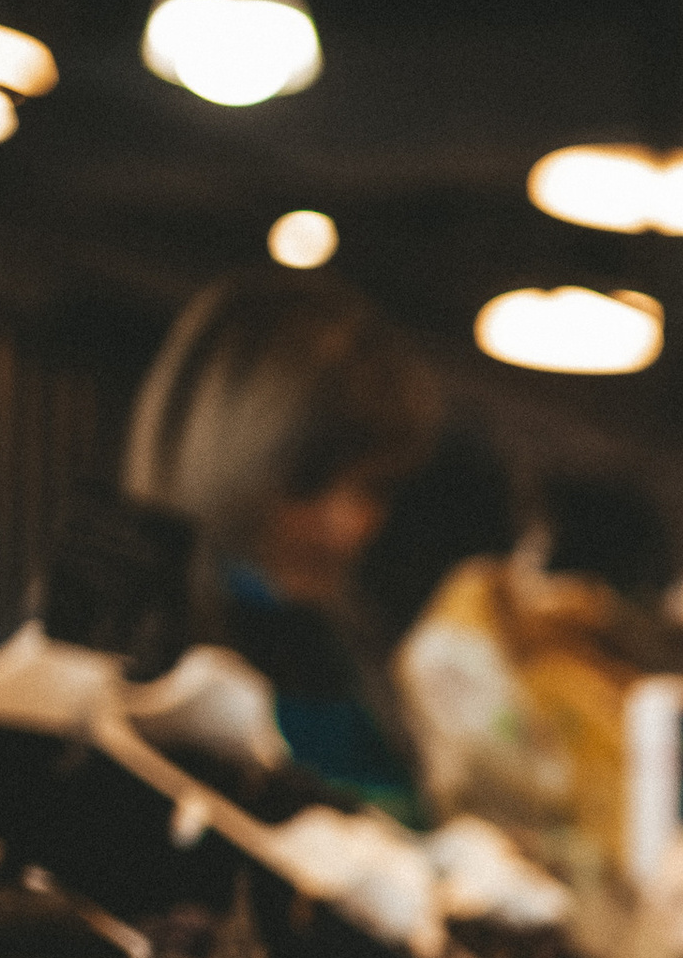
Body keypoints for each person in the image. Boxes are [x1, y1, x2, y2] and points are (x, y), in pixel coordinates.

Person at [122, 267, 443, 795]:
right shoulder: (132, 642)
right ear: (228, 455)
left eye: (375, 490)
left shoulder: (346, 644)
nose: (347, 527)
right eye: (308, 479)